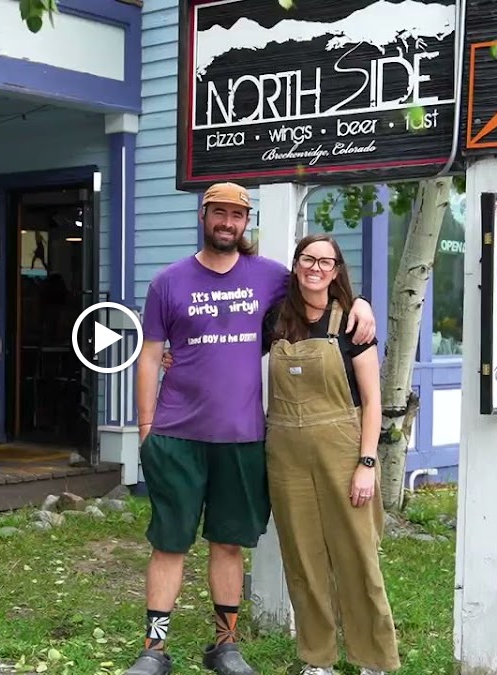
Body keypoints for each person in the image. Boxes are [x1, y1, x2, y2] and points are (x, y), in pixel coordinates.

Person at [127, 182, 377, 675]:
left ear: (246, 222)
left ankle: (225, 646)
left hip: (242, 435)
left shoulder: (269, 277)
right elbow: (151, 356)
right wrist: (146, 428)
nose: (227, 223)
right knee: (169, 543)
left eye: (236, 215)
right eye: (218, 213)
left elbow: (318, 284)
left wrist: (361, 302)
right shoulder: (168, 283)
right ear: (203, 216)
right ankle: (154, 650)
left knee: (228, 542)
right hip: (176, 434)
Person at [263, 234, 399, 675]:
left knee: (357, 557)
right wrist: (179, 357)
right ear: (296, 265)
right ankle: (317, 659)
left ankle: (373, 660)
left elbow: (373, 402)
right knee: (303, 560)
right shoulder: (276, 319)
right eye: (308, 259)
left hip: (343, 452)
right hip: (286, 457)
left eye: (325, 262)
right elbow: (229, 351)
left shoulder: (353, 323)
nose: (315, 268)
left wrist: (367, 464)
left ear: (336, 270)